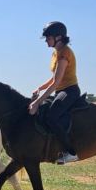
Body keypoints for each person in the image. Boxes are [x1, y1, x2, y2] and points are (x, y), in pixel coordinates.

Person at [29, 22, 81, 164]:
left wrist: (36, 102)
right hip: (60, 90)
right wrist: (39, 88)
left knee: (52, 116)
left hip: (70, 91)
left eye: (48, 37)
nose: (46, 40)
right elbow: (54, 78)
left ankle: (71, 152)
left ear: (58, 37)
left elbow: (56, 82)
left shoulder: (64, 52)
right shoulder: (56, 52)